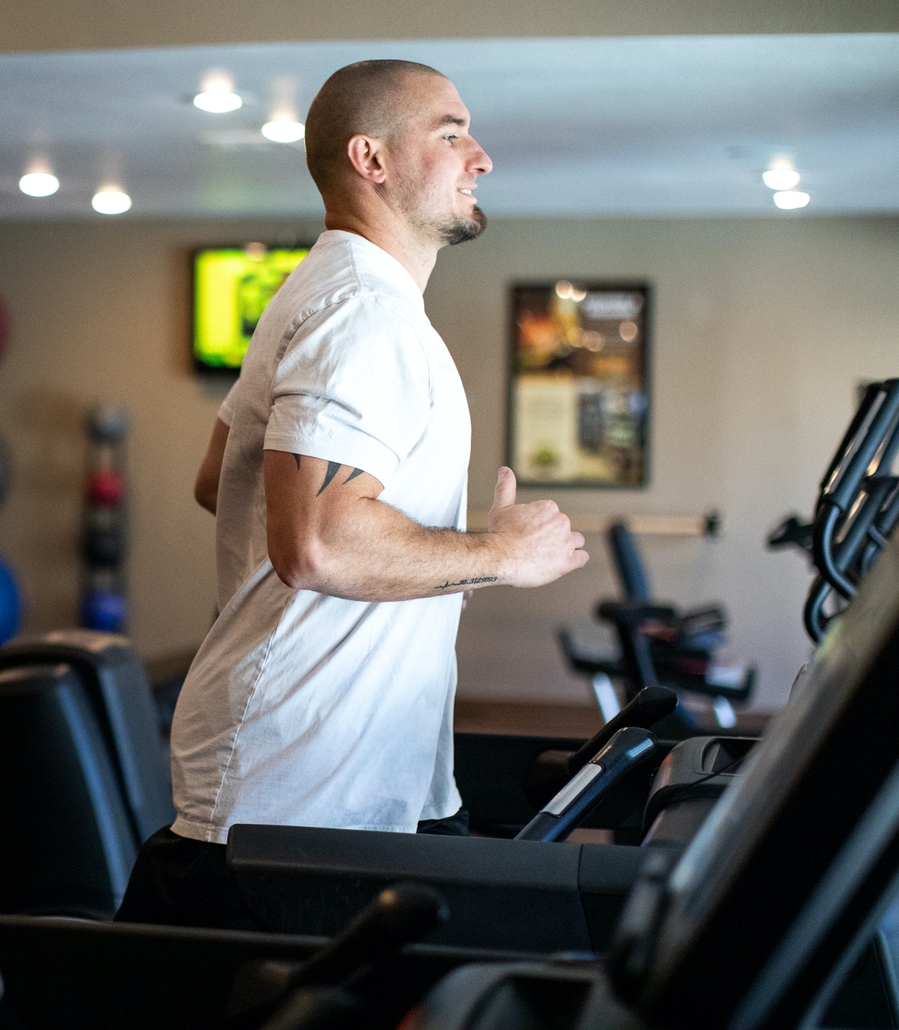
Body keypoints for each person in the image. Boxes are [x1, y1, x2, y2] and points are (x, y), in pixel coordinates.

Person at [116, 60, 588, 929]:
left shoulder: (335, 294)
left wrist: (462, 558)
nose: (479, 157)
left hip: (347, 771)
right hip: (296, 785)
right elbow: (320, 545)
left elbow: (217, 479)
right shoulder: (360, 314)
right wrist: (502, 556)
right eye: (451, 134)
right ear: (370, 158)